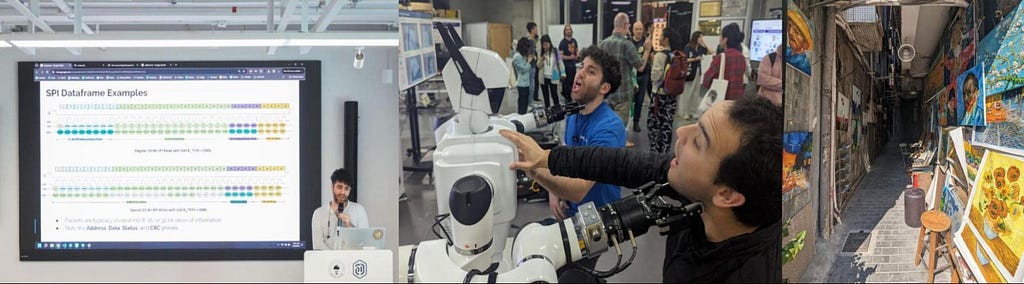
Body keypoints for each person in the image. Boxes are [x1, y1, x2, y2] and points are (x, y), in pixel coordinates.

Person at [499, 96, 782, 282]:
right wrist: (546, 158)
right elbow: (619, 164)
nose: (681, 133)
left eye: (699, 141)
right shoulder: (692, 187)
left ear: (727, 195)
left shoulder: (751, 273)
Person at [534, 45, 625, 282]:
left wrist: (532, 167)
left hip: (599, 221)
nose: (580, 73)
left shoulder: (609, 128)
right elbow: (565, 156)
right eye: (581, 66)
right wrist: (554, 194)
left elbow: (578, 189)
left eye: (591, 71)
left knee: (565, 278)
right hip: (572, 215)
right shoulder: (574, 113)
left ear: (604, 88)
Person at [600, 13, 650, 147]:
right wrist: (647, 51)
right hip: (623, 93)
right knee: (619, 127)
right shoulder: (627, 45)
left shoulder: (603, 43)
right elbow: (640, 67)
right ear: (625, 25)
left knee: (607, 124)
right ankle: (617, 153)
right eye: (629, 25)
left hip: (607, 92)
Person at [312, 168, 370, 250]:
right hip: (327, 261)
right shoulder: (319, 213)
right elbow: (318, 246)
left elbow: (365, 243)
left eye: (346, 188)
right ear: (332, 186)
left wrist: (350, 225)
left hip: (352, 261)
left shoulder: (359, 210)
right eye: (339, 187)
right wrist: (336, 259)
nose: (342, 192)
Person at [648, 29, 682, 153]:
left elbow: (655, 77)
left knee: (654, 124)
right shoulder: (677, 54)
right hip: (672, 95)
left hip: (659, 95)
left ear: (667, 39)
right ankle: (665, 152)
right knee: (667, 124)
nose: (659, 38)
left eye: (661, 36)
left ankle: (655, 152)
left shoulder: (660, 55)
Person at [702, 23, 747, 101]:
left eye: (720, 36)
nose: (719, 38)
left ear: (725, 39)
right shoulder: (741, 57)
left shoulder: (721, 57)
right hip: (737, 101)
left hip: (723, 100)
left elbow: (706, 80)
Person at [680, 31, 711, 120]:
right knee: (688, 92)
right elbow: (684, 59)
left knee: (696, 92)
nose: (701, 39)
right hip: (690, 71)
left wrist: (704, 44)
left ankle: (693, 111)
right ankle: (684, 112)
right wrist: (695, 59)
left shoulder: (700, 48)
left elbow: (710, 52)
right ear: (696, 38)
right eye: (700, 37)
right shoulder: (688, 47)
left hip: (698, 71)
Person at [631, 21, 653, 132]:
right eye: (636, 29)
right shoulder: (628, 43)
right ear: (632, 30)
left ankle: (636, 122)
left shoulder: (647, 42)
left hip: (643, 75)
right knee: (629, 100)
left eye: (640, 29)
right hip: (631, 76)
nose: (639, 31)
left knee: (639, 100)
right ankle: (626, 122)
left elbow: (651, 56)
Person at [539, 34, 566, 108]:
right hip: (543, 77)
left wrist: (563, 73)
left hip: (553, 76)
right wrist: (542, 60)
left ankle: (557, 110)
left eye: (546, 44)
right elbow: (538, 66)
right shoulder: (541, 52)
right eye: (543, 45)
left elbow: (560, 62)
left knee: (554, 94)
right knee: (545, 96)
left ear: (549, 43)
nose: (545, 46)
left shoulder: (555, 51)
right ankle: (547, 111)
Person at [513, 37, 537, 115]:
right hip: (521, 83)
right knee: (522, 103)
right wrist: (529, 62)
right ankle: (521, 117)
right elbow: (523, 70)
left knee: (525, 102)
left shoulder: (521, 55)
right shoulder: (517, 57)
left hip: (525, 83)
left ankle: (523, 115)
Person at [786, 9, 813, 76]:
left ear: (805, 44)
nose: (790, 32)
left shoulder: (804, 66)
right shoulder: (786, 50)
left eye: (796, 32)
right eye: (789, 27)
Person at [559, 24, 580, 103]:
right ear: (564, 32)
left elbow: (577, 49)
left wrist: (577, 55)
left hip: (573, 65)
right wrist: (570, 58)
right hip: (565, 66)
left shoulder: (574, 41)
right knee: (566, 83)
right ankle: (567, 98)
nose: (568, 31)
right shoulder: (562, 43)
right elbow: (560, 56)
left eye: (569, 29)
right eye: (567, 29)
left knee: (573, 81)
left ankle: (571, 95)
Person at [527, 22, 542, 102]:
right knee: (531, 86)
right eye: (536, 29)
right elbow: (530, 54)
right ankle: (529, 103)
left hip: (532, 66)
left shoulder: (532, 40)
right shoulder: (530, 41)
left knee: (532, 85)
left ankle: (530, 102)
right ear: (532, 29)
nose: (537, 30)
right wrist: (534, 57)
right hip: (531, 66)